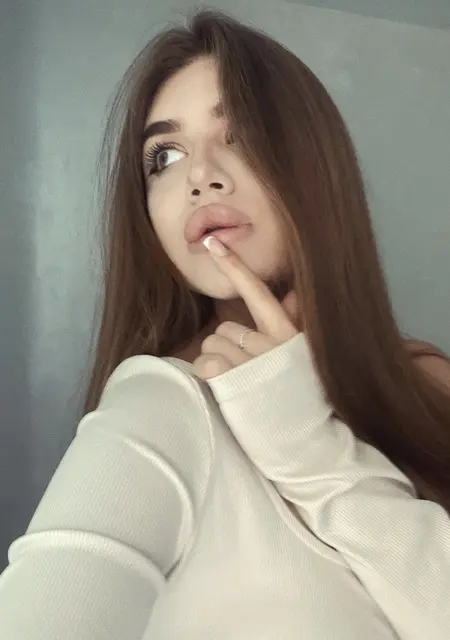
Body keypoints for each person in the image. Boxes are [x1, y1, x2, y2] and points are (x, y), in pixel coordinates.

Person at [0, 9, 449, 639]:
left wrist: (309, 445)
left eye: (239, 135)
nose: (198, 175)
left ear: (317, 167)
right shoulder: (162, 402)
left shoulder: (425, 379)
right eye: (164, 155)